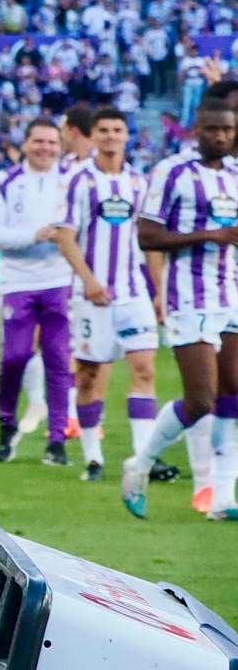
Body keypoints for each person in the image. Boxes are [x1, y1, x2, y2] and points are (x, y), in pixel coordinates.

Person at [121, 101, 238, 520]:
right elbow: (147, 235)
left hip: (231, 294)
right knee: (202, 398)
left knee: (233, 393)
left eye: (226, 130)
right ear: (195, 129)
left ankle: (223, 498)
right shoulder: (172, 172)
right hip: (189, 295)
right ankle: (140, 463)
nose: (220, 137)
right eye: (211, 129)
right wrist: (212, 234)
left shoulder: (235, 175)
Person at [53, 108, 158, 484]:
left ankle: (142, 458)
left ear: (127, 135)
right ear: (93, 136)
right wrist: (90, 280)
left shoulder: (139, 182)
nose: (111, 136)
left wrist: (158, 291)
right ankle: (93, 457)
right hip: (90, 295)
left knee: (145, 369)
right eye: (104, 130)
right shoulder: (79, 181)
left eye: (117, 129)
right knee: (88, 376)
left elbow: (150, 241)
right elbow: (65, 235)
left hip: (133, 294)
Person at [0, 118, 76, 467]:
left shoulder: (70, 180)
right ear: (25, 144)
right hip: (18, 281)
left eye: (52, 142)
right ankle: (7, 423)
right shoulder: (5, 182)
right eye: (38, 141)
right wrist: (32, 236)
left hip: (59, 278)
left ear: (60, 145)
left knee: (58, 360)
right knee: (14, 357)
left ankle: (57, 440)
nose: (45, 148)